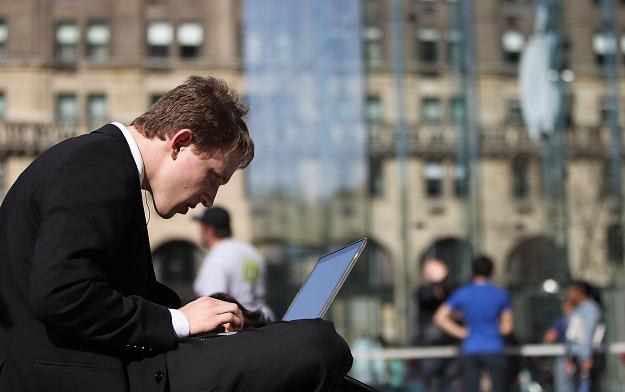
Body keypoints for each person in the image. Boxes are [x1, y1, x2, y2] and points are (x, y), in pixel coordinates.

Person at [0, 76, 353, 391]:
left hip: (100, 366)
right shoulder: (95, 166)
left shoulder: (101, 163)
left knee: (294, 345)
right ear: (181, 142)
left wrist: (213, 315)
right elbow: (63, 294)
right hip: (89, 373)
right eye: (214, 177)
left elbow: (117, 291)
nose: (209, 199)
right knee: (317, 345)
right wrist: (181, 321)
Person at [434, 255, 514, 392]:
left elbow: (439, 317)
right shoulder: (500, 294)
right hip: (494, 348)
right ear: (491, 271)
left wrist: (461, 331)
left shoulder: (463, 293)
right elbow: (507, 327)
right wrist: (494, 331)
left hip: (471, 348)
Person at [193, 206, 274, 320]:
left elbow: (212, 304)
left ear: (209, 230)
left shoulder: (216, 257)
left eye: (201, 227)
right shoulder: (252, 252)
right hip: (263, 321)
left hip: (238, 327)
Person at [414, 258, 458, 391]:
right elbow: (434, 295)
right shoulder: (423, 291)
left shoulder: (451, 291)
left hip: (449, 347)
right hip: (431, 349)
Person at [564, 280, 604, 392]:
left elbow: (588, 334)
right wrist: (569, 357)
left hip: (587, 359)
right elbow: (572, 335)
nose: (569, 294)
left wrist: (587, 357)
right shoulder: (577, 310)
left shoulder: (590, 310)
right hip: (577, 358)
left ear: (580, 292)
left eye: (571, 291)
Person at [543, 299, 574, 392]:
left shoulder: (562, 321)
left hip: (565, 359)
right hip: (576, 357)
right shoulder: (580, 320)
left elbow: (549, 338)